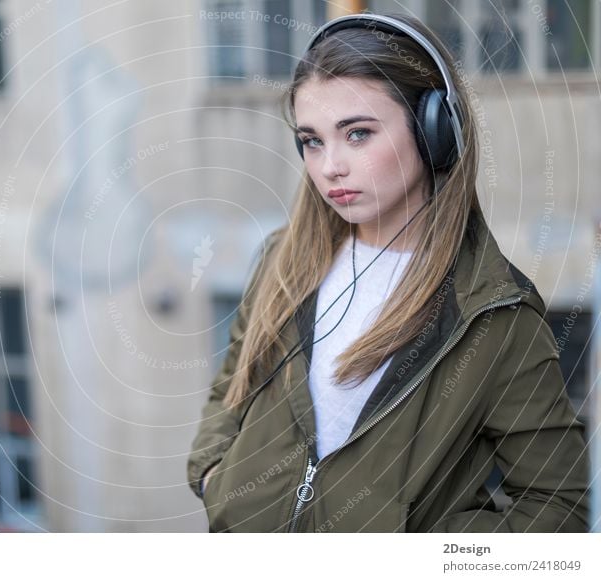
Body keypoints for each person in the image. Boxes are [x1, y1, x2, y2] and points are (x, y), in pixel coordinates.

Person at [186, 12, 590, 533]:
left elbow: (558, 508)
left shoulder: (493, 314)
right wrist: (214, 476)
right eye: (312, 140)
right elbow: (230, 389)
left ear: (433, 130)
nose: (330, 165)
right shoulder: (281, 261)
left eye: (357, 134)